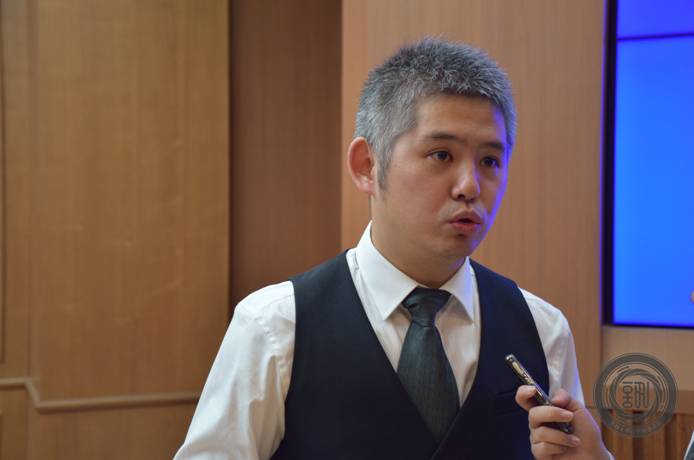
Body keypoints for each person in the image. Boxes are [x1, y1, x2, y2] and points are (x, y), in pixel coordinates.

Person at [175, 38, 613, 459]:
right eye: (441, 155)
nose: (469, 186)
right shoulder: (275, 326)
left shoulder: (541, 327)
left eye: (489, 161)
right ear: (367, 165)